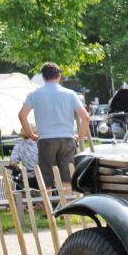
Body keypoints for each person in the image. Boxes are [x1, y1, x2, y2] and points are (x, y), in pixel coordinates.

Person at [17, 62, 89, 192]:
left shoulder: (34, 94)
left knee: (47, 179)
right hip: (67, 138)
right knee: (67, 178)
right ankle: (67, 208)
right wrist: (81, 135)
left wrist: (30, 135)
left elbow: (22, 115)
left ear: (43, 77)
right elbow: (85, 117)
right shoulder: (70, 93)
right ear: (59, 76)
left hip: (45, 139)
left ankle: (49, 208)